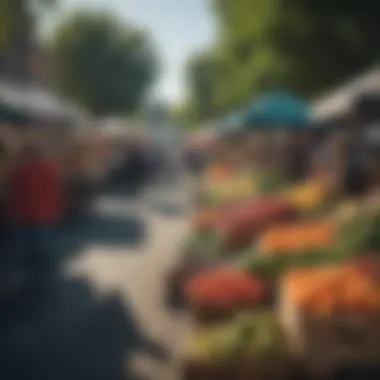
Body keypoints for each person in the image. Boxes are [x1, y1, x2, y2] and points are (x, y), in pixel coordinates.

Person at [8, 142, 64, 290]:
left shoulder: (20, 171)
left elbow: (13, 193)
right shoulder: (47, 170)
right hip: (41, 215)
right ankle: (41, 276)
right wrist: (55, 211)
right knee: (39, 247)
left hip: (27, 215)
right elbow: (55, 192)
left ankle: (32, 276)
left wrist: (14, 212)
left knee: (29, 246)